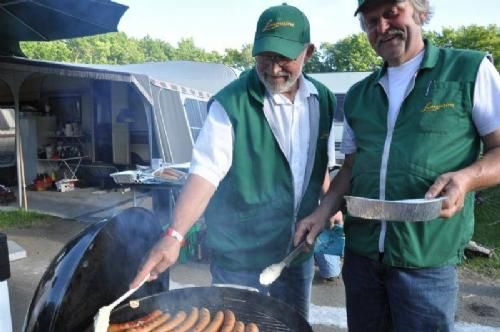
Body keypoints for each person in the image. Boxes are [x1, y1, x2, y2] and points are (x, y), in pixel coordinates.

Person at [295, 0, 500, 330]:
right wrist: (322, 212)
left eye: (392, 12)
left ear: (420, 11)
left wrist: (467, 178)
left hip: (426, 261)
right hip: (361, 260)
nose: (382, 27)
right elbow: (350, 169)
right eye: (371, 20)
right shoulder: (360, 94)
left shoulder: (468, 71)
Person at [131, 4, 336, 319]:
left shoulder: (322, 99)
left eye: (284, 58)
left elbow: (316, 158)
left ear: (307, 53)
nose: (274, 69)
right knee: (236, 325)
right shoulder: (231, 103)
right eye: (265, 57)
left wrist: (326, 200)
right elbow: (205, 173)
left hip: (296, 253)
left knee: (294, 323)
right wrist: (175, 235)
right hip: (241, 258)